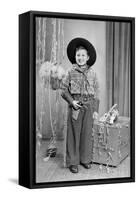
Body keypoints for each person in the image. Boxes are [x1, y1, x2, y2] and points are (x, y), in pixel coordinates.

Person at [61, 38, 100, 173]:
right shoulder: (70, 72)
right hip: (76, 106)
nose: (81, 58)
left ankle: (85, 159)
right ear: (75, 57)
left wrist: (95, 109)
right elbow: (63, 90)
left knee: (87, 134)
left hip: (89, 106)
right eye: (78, 55)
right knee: (73, 134)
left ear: (88, 57)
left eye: (83, 55)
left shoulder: (93, 73)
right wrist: (72, 102)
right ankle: (73, 162)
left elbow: (97, 92)